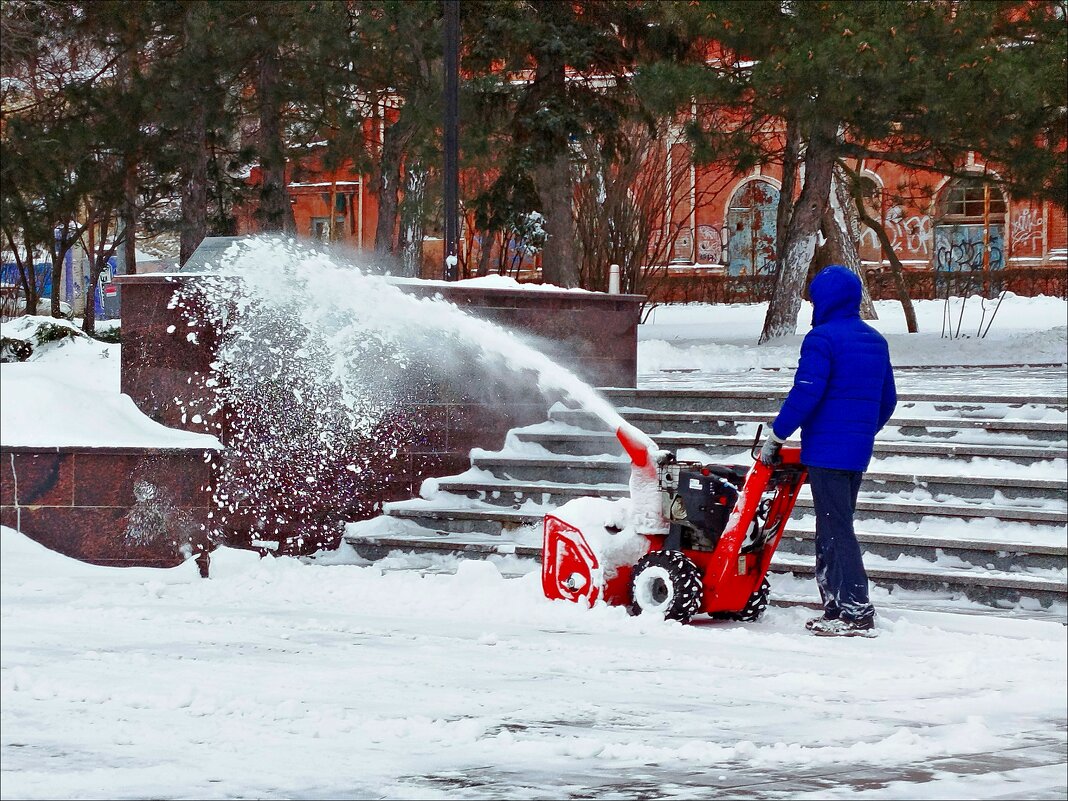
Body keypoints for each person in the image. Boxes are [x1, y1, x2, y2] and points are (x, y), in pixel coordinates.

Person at [760, 265, 896, 637]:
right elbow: (888, 400)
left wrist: (777, 435)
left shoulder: (822, 339)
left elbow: (806, 392)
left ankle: (855, 610)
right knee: (834, 525)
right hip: (855, 451)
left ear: (826, 299)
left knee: (836, 529)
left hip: (826, 451)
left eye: (814, 298)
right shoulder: (874, 340)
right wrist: (861, 433)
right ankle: (836, 607)